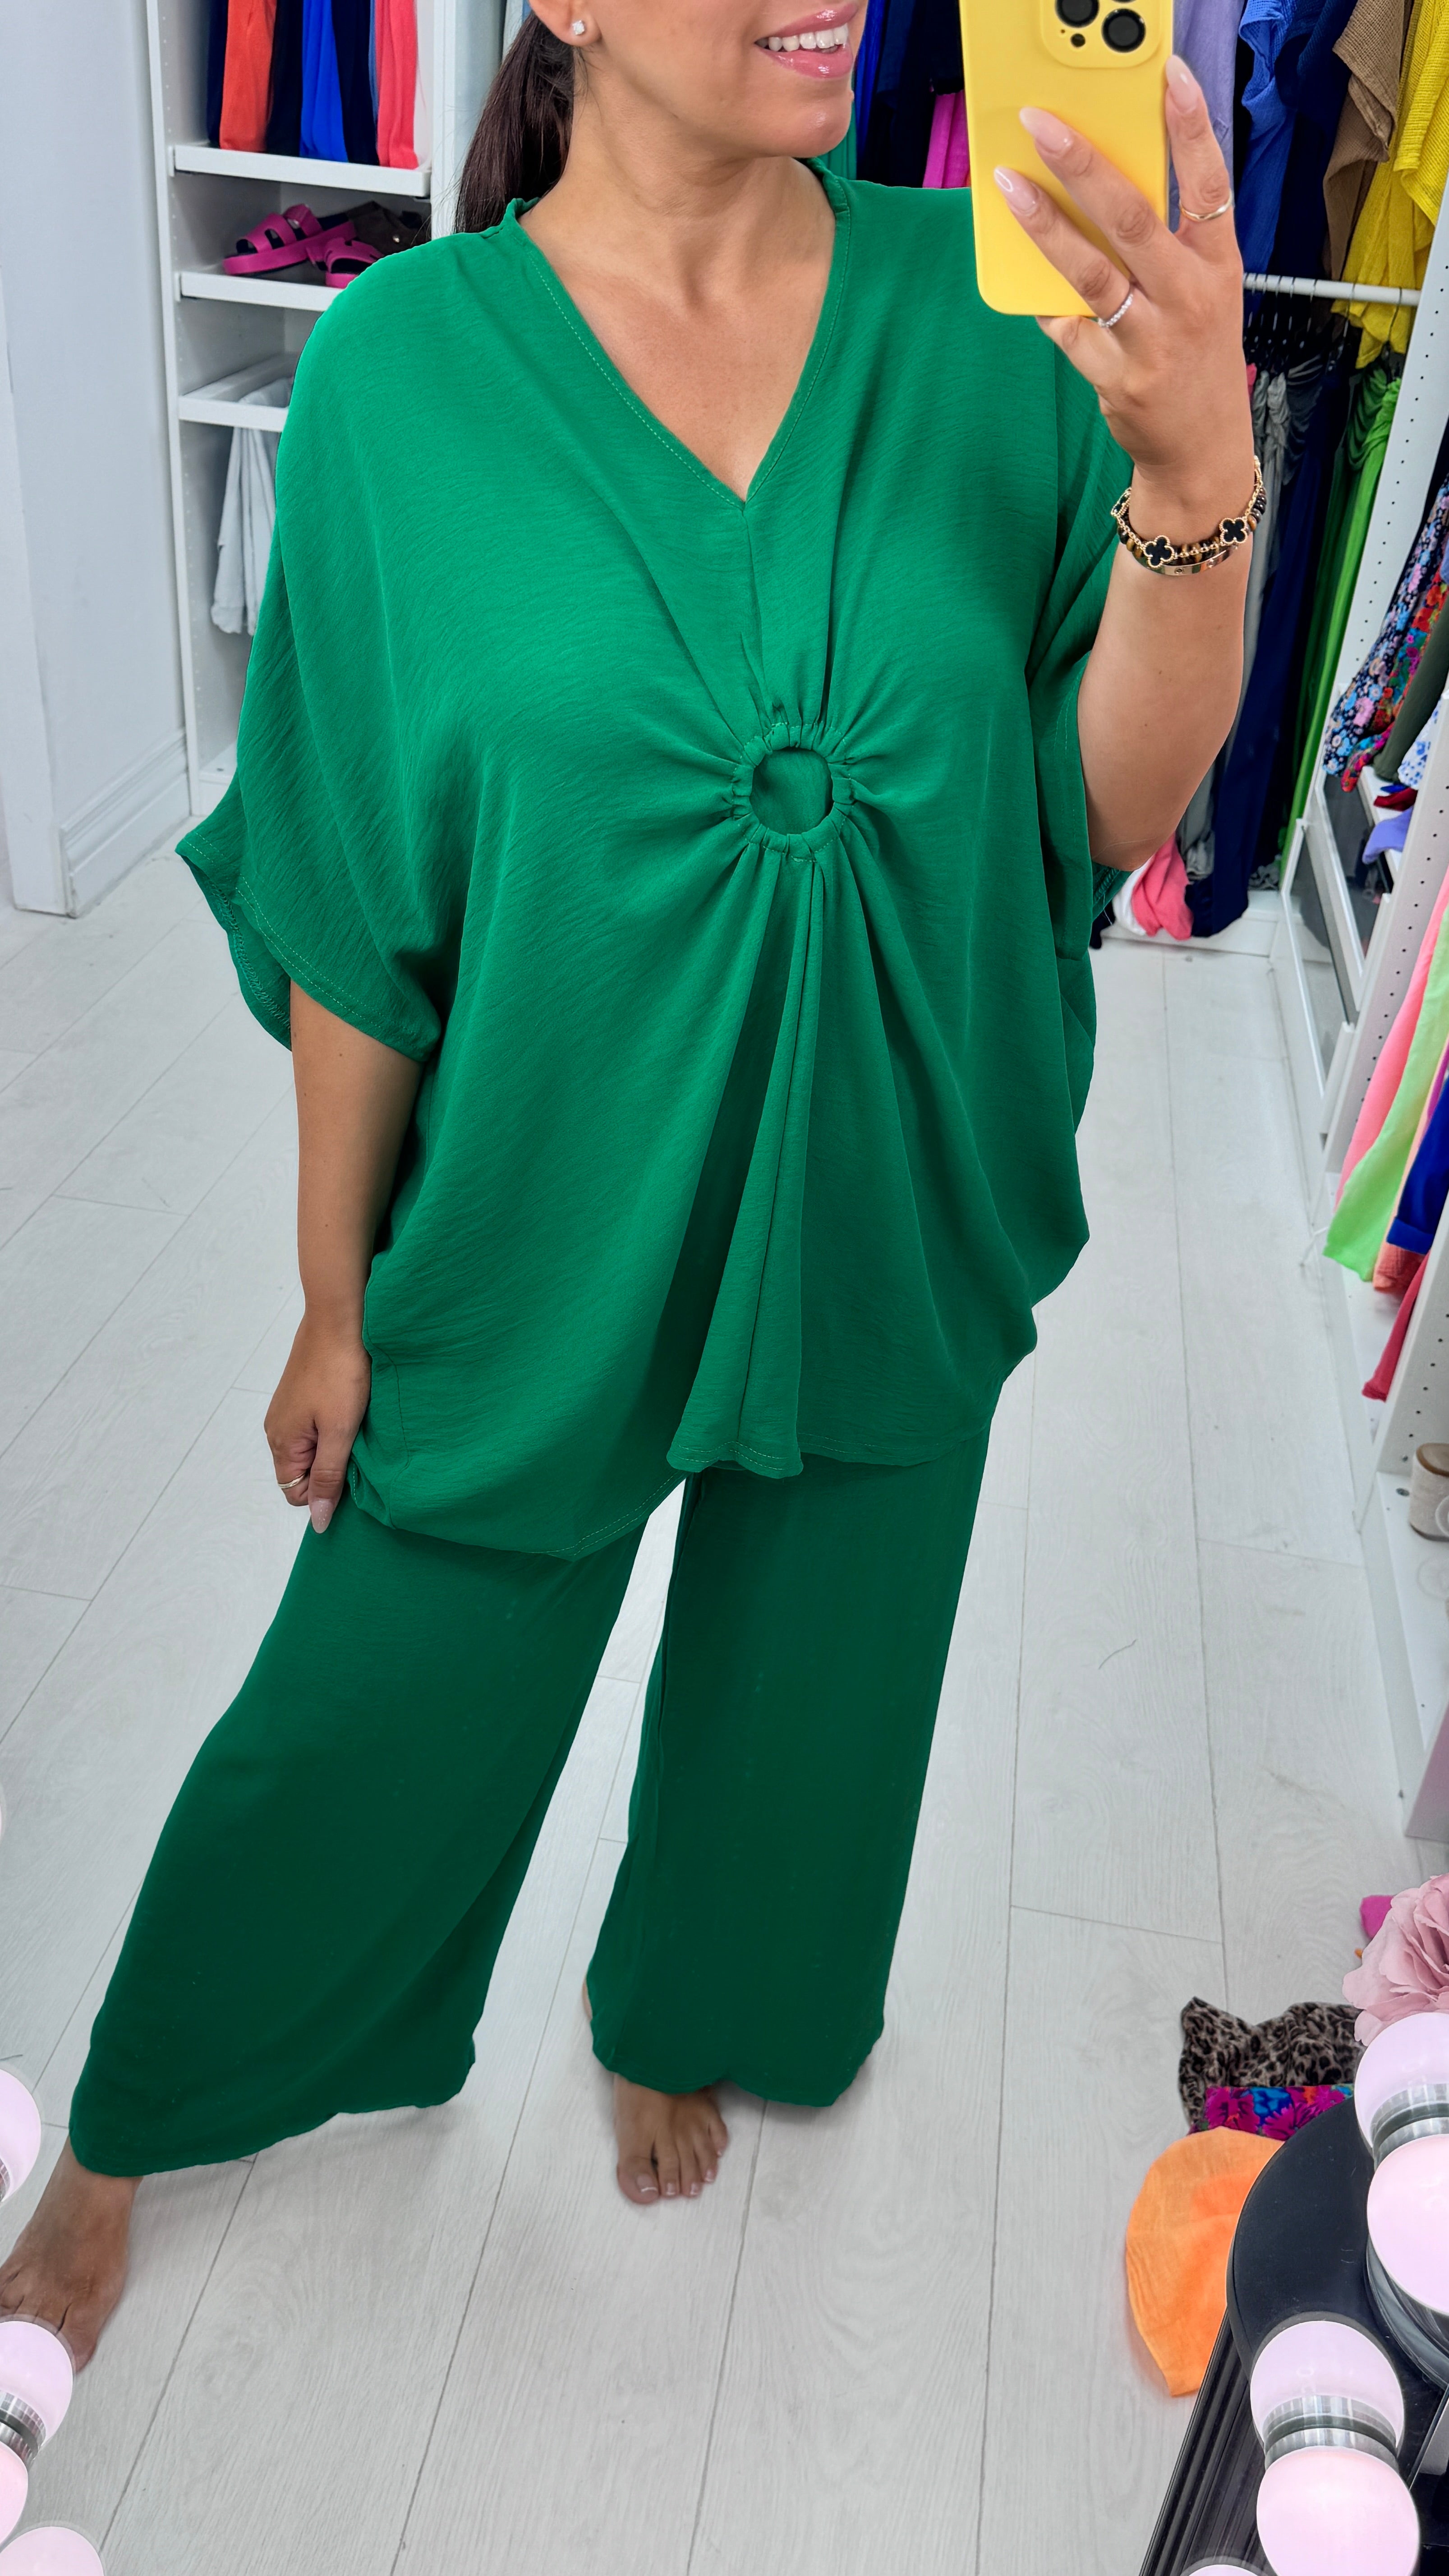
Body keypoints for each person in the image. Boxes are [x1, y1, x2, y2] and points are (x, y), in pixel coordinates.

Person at [0, 0, 1253, 2368]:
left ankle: (697, 1999)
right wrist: (332, 1295)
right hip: (542, 1206)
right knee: (378, 1692)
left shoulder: (986, 322)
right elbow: (358, 899)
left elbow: (1098, 812)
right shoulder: (400, 378)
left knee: (822, 1682)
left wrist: (1197, 473)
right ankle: (142, 2115)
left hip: (896, 1165)